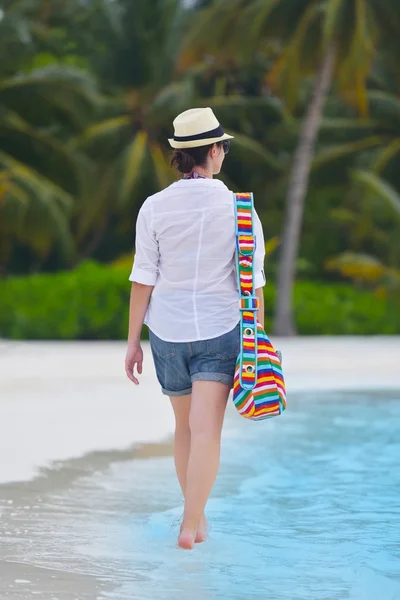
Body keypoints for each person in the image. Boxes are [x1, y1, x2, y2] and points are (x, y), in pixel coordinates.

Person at [125, 107, 266, 550]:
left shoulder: (154, 207)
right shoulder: (240, 208)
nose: (224, 152)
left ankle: (195, 517)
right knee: (208, 431)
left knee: (184, 429)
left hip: (167, 332)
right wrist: (257, 343)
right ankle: (190, 525)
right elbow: (254, 284)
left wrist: (133, 341)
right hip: (221, 330)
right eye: (222, 146)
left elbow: (143, 278)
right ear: (212, 150)